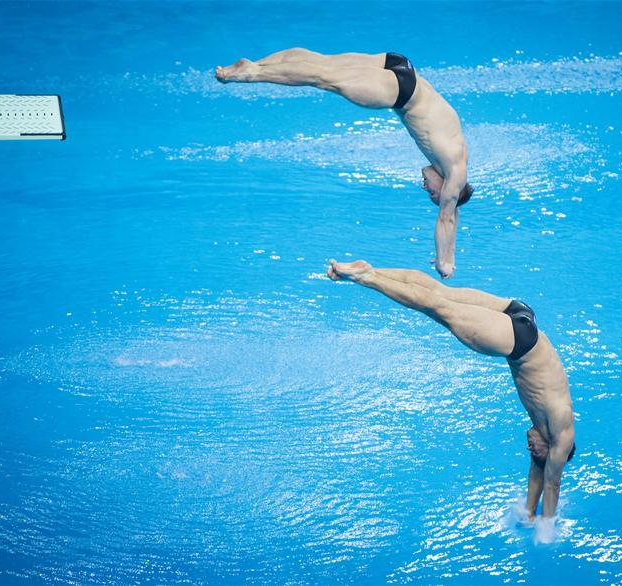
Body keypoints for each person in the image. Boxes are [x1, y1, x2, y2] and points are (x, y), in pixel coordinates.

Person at [326, 259, 575, 518]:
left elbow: (539, 474)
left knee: (438, 293)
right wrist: (547, 529)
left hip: (520, 316)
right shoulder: (561, 430)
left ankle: (373, 270)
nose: (530, 449)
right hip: (518, 341)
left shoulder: (547, 434)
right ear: (553, 451)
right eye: (538, 452)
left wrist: (529, 514)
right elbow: (552, 483)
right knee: (437, 307)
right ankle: (366, 277)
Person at [216, 49, 473, 279]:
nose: (425, 187)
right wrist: (445, 262)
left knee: (321, 64)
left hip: (400, 66)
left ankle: (255, 64)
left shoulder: (454, 160)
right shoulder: (454, 171)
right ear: (450, 189)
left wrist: (449, 251)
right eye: (432, 193)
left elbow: (451, 214)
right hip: (400, 91)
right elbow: (446, 218)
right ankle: (251, 73)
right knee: (322, 78)